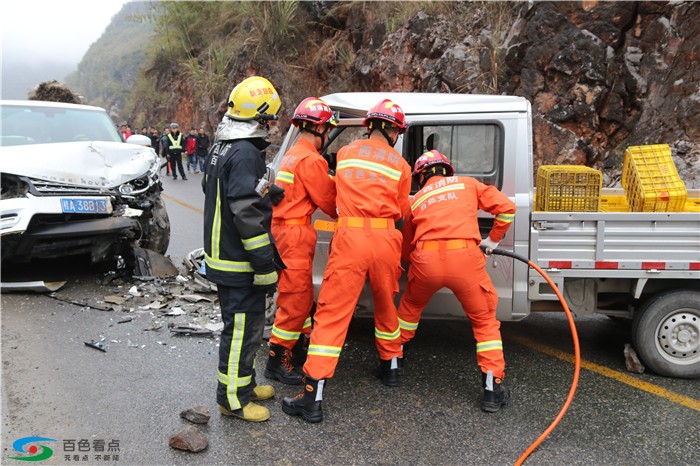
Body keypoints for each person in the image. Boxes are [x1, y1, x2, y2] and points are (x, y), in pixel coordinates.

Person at [282, 99, 412, 423]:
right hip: (385, 239)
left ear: (369, 125)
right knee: (385, 305)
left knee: (332, 315)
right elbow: (403, 211)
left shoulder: (344, 154)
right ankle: (391, 366)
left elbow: (335, 197)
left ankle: (312, 397)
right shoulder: (402, 165)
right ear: (394, 130)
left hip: (351, 237)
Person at [396, 149, 516, 412]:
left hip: (425, 259)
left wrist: (409, 266)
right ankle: (492, 389)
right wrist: (492, 240)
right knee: (485, 322)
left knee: (409, 309)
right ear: (447, 170)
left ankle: (393, 363)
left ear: (421, 177)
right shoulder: (468, 184)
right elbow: (507, 208)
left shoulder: (415, 200)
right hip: (464, 257)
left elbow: (406, 246)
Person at [202, 76, 283, 422]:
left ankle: (244, 384)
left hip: (223, 256)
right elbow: (246, 215)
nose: (271, 126)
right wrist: (265, 264)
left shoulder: (222, 147)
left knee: (245, 330)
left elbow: (220, 191)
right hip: (238, 263)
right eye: (270, 120)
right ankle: (232, 400)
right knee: (240, 332)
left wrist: (265, 193)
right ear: (260, 117)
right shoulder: (247, 153)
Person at [264, 97, 338, 385]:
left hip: (285, 231)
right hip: (294, 234)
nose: (328, 135)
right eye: (328, 130)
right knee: (295, 299)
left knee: (302, 295)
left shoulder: (293, 154)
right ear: (320, 129)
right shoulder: (310, 160)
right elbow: (330, 202)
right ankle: (277, 360)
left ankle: (295, 350)